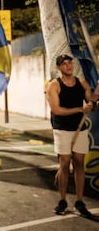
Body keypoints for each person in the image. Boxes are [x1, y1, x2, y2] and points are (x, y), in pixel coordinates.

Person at [45, 54, 94, 217]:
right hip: (62, 129)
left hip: (80, 129)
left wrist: (92, 101)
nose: (68, 66)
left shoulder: (81, 83)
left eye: (69, 63)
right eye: (64, 64)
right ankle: (63, 200)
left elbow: (91, 99)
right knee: (65, 164)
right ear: (59, 68)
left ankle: (79, 201)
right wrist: (80, 110)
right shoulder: (54, 86)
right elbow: (57, 110)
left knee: (79, 163)